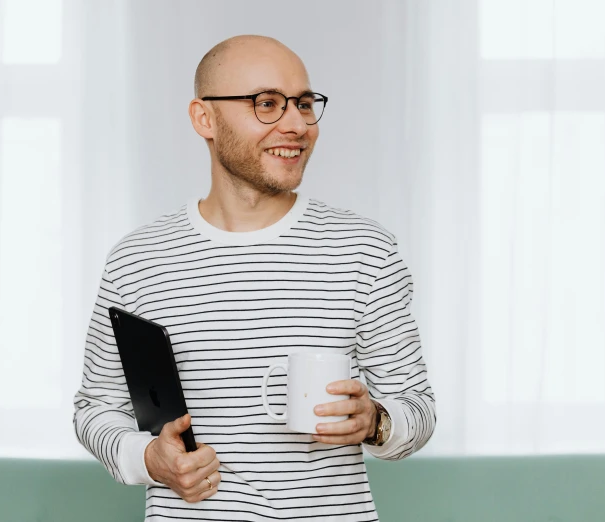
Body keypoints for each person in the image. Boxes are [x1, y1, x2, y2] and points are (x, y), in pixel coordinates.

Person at [73, 34, 436, 521]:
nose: (296, 124)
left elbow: (418, 407)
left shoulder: (364, 250)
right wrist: (147, 459)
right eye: (267, 104)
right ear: (204, 118)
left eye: (304, 104)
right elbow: (95, 407)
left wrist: (375, 421)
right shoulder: (138, 259)